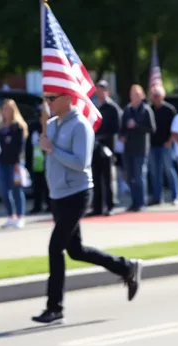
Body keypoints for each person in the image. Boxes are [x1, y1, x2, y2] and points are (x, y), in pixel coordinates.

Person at [33, 91, 143, 324]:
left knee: (55, 249)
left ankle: (55, 308)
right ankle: (126, 267)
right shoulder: (51, 125)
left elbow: (80, 162)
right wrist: (45, 145)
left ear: (68, 98)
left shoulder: (81, 126)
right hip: (57, 195)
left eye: (53, 98)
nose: (49, 103)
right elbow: (48, 155)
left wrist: (51, 149)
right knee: (76, 250)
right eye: (47, 99)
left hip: (77, 194)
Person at [119, 84, 156, 211]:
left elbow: (151, 128)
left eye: (136, 94)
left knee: (139, 176)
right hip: (128, 148)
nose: (134, 97)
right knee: (130, 177)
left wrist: (136, 126)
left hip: (140, 148)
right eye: (132, 94)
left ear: (142, 96)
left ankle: (141, 203)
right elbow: (122, 128)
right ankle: (134, 203)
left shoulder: (146, 110)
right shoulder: (127, 110)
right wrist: (122, 136)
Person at [0, 99, 28, 229]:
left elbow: (21, 147)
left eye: (8, 109)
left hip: (15, 163)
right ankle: (10, 216)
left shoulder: (18, 126)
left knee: (16, 190)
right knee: (3, 190)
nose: (5, 111)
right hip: (1, 162)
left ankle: (20, 216)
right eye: (4, 108)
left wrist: (18, 164)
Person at [89, 80, 122, 216]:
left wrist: (103, 137)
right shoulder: (95, 107)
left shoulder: (113, 108)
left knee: (108, 179)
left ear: (107, 91)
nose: (100, 92)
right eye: (98, 89)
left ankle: (110, 206)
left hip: (107, 147)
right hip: (95, 146)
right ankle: (97, 207)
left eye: (103, 89)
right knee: (96, 177)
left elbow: (116, 128)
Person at [148, 86, 178, 205]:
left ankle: (175, 196)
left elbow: (175, 128)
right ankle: (157, 198)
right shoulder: (150, 109)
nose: (156, 98)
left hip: (166, 145)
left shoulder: (169, 109)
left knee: (169, 170)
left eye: (158, 95)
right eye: (154, 96)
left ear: (163, 96)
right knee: (155, 172)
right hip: (152, 145)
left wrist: (170, 141)